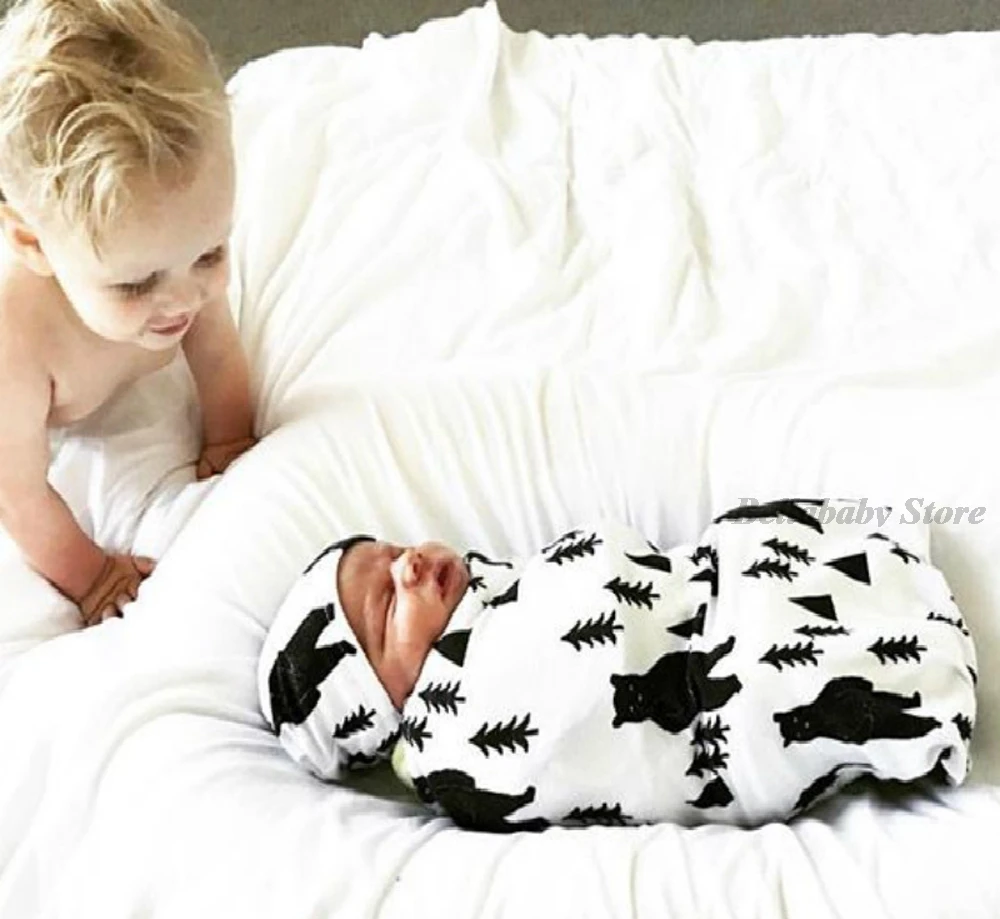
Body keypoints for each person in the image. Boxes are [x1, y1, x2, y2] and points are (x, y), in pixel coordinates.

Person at [258, 499, 978, 832]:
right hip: (707, 706)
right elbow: (575, 708)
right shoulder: (450, 746)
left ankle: (884, 582)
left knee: (750, 540)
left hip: (693, 598)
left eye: (392, 552)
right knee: (771, 685)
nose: (410, 565)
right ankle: (918, 677)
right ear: (379, 704)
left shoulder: (488, 590)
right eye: (388, 604)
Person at [0, 0, 255, 627]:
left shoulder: (175, 250)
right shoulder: (17, 342)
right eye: (136, 284)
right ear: (34, 244)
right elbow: (18, 493)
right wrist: (91, 576)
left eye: (211, 253)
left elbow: (218, 353)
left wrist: (231, 439)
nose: (185, 299)